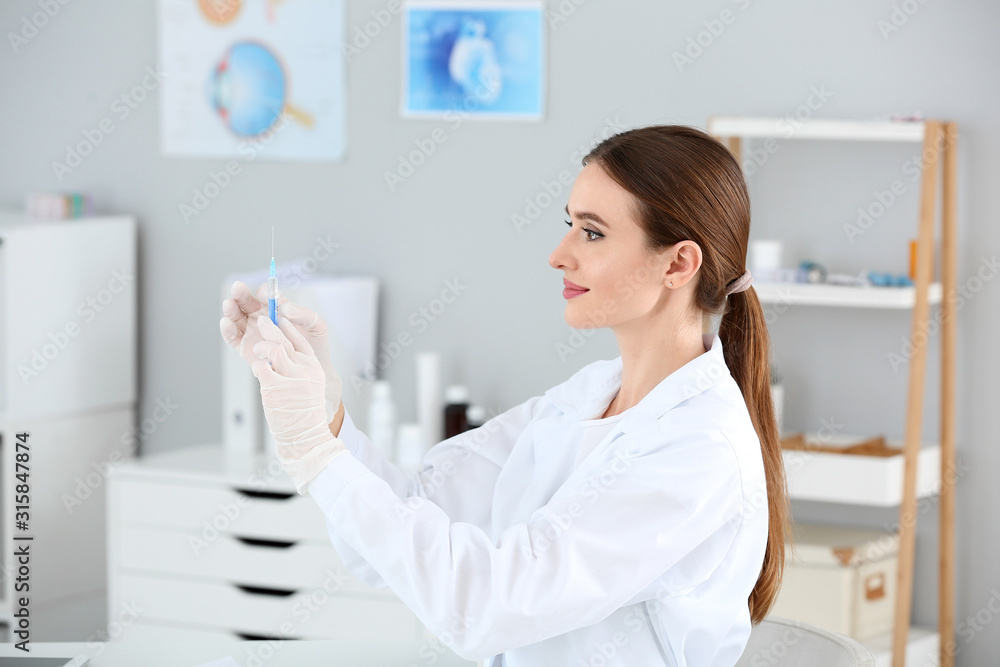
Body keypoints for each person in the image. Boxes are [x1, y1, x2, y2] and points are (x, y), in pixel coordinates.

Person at [220, 124, 790, 666]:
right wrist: (327, 417)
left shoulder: (699, 449)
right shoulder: (589, 396)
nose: (558, 254)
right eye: (569, 224)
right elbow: (413, 515)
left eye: (592, 232)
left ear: (678, 263)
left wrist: (316, 457)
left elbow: (487, 606)